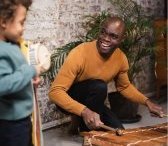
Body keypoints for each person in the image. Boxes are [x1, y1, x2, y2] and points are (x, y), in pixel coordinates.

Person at [49, 16, 164, 133]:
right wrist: (84, 111)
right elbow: (55, 92)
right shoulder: (79, 53)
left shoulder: (121, 58)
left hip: (92, 102)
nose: (106, 39)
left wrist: (147, 102)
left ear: (122, 39)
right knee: (99, 86)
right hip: (69, 98)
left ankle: (80, 121)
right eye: (103, 33)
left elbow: (124, 87)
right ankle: (87, 133)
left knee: (119, 132)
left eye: (113, 36)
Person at [0, 0, 44, 146]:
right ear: (3, 22)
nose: (23, 28)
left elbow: (13, 77)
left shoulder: (10, 45)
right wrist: (30, 70)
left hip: (20, 119)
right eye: (21, 23)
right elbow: (2, 84)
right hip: (11, 123)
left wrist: (28, 81)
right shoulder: (2, 51)